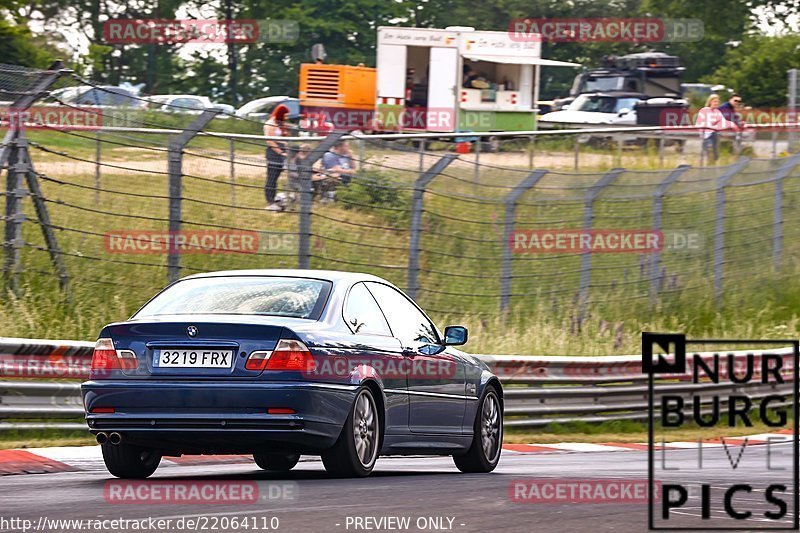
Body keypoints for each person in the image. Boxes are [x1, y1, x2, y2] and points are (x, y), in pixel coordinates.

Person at [695, 94, 739, 163]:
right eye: (715, 101)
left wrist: (731, 124)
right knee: (709, 153)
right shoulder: (704, 110)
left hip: (714, 135)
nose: (716, 103)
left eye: (717, 102)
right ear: (710, 102)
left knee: (715, 155)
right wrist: (713, 127)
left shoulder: (717, 112)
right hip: (706, 136)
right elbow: (699, 124)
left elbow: (722, 121)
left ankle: (713, 167)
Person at [263, 104, 290, 211]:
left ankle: (279, 199)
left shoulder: (280, 124)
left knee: (281, 176)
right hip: (274, 153)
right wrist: (280, 152)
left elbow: (284, 139)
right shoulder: (270, 124)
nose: (287, 117)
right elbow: (270, 141)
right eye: (285, 115)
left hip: (283, 152)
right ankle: (270, 201)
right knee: (272, 178)